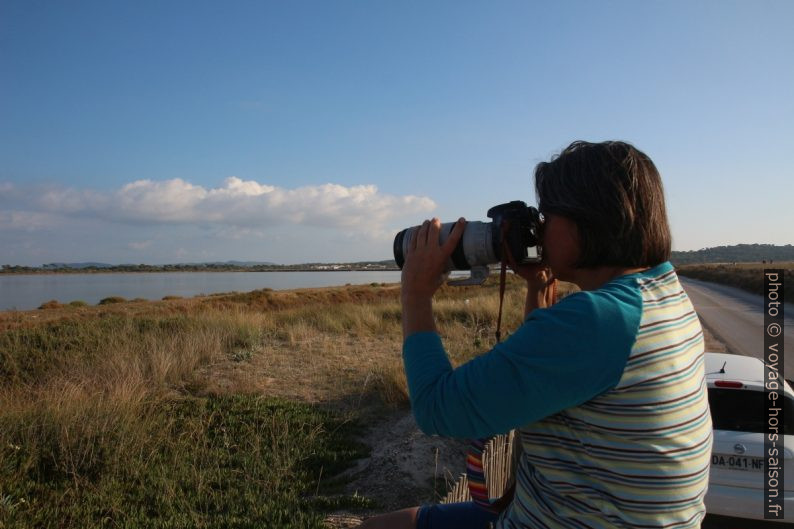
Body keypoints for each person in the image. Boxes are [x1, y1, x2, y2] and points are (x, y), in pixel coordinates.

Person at [359, 140, 712, 529]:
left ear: (586, 219)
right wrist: (537, 290)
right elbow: (549, 382)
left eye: (546, 215)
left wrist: (415, 292)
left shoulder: (597, 319)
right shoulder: (661, 293)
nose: (538, 230)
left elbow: (436, 408)